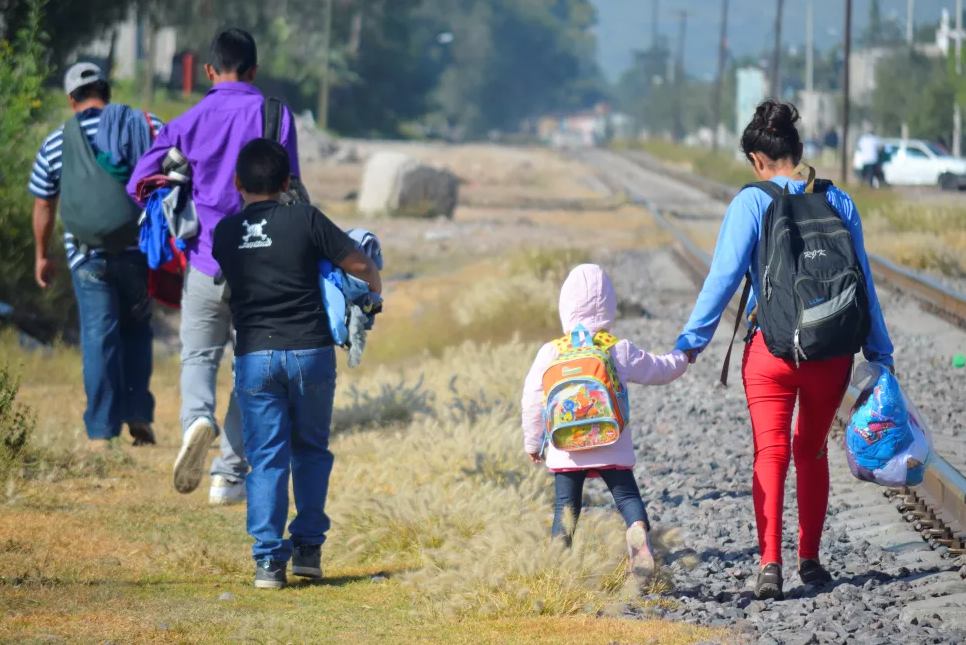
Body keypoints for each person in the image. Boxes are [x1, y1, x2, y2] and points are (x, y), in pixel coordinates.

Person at [674, 101, 894, 600]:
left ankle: (769, 564)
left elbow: (723, 279)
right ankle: (810, 560)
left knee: (770, 453)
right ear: (798, 151)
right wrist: (880, 351)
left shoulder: (751, 202)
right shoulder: (839, 201)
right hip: (831, 352)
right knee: (812, 451)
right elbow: (864, 283)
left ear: (757, 159)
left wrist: (691, 343)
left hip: (771, 353)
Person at [128, 28, 301, 505]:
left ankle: (196, 421)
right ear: (254, 70)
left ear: (209, 71)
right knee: (252, 369)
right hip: (264, 269)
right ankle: (227, 474)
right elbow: (293, 185)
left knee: (199, 357)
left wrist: (180, 174)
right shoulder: (275, 115)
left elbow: (139, 181)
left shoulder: (189, 119)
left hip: (206, 262)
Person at [212, 138, 381, 589]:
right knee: (310, 450)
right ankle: (307, 549)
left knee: (266, 459)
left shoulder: (224, 233)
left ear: (237, 183)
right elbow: (359, 264)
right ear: (287, 182)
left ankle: (269, 563)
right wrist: (375, 288)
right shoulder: (305, 219)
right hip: (310, 352)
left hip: (255, 357)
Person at [521, 264, 689, 576]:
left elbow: (531, 399)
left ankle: (557, 566)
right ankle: (637, 530)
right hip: (612, 443)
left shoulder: (550, 352)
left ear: (565, 306)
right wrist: (684, 356)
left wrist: (533, 443)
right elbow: (661, 370)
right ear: (609, 306)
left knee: (565, 508)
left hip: (566, 448)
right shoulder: (617, 349)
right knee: (626, 497)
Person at [29, 62, 163, 451]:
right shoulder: (144, 124)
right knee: (137, 330)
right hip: (138, 251)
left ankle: (102, 432)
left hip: (87, 255)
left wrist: (41, 255)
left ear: (72, 100)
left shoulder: (56, 141)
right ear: (107, 91)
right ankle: (138, 413)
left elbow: (43, 204)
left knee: (99, 336)